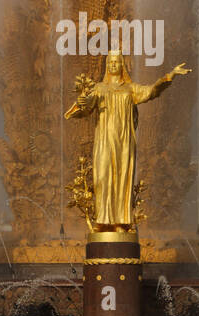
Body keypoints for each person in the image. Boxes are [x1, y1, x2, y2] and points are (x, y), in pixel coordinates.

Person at [65, 50, 190, 231]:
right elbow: (84, 108)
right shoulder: (99, 89)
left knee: (122, 178)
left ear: (122, 65)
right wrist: (81, 101)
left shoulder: (130, 89)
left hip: (124, 140)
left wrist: (170, 75)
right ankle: (102, 220)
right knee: (102, 177)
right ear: (107, 65)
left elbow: (152, 91)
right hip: (104, 141)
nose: (113, 65)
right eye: (111, 62)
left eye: (117, 62)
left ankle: (120, 222)